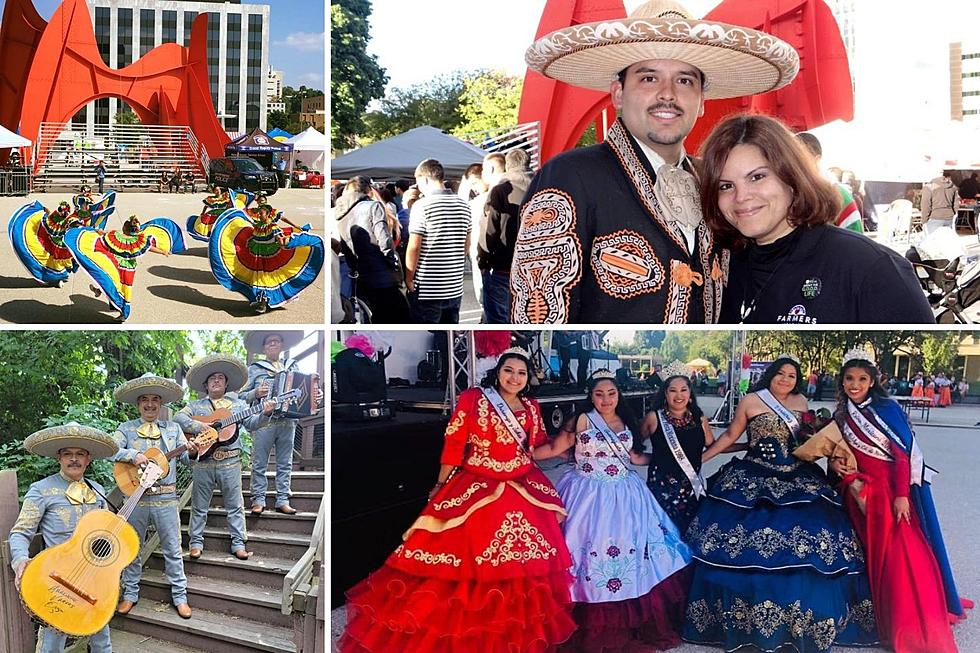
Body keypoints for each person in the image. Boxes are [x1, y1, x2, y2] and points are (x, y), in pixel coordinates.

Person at [511, 0, 799, 324]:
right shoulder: (569, 176)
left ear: (702, 101)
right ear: (618, 93)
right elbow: (537, 317)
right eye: (649, 78)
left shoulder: (715, 181)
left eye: (685, 80)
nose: (668, 94)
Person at [339, 348, 575, 652]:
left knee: (522, 567)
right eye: (509, 370)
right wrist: (440, 483)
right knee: (459, 563)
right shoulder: (474, 399)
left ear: (528, 378)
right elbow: (454, 443)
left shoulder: (530, 407)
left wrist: (564, 445)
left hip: (521, 484)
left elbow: (537, 447)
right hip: (476, 483)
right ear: (497, 371)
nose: (514, 378)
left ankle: (510, 631)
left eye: (521, 373)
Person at [682, 357, 878, 652]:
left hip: (797, 473)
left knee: (818, 534)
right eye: (780, 374)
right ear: (771, 376)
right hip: (753, 474)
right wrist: (699, 461)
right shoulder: (750, 400)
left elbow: (811, 444)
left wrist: (837, 462)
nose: (785, 379)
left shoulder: (802, 401)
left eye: (791, 375)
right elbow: (732, 435)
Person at [700, 114, 934, 324]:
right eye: (726, 186)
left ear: (792, 178)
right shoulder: (720, 267)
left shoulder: (872, 268)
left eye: (757, 177)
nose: (741, 196)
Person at [528, 369, 690, 652]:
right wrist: (520, 453)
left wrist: (667, 460)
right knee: (582, 549)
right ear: (591, 396)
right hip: (585, 493)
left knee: (633, 549)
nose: (605, 400)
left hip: (625, 493)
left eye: (611, 393)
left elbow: (636, 457)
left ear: (619, 395)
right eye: (599, 394)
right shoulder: (580, 420)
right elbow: (555, 447)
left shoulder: (628, 420)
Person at [831, 352, 972, 652]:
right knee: (868, 554)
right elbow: (838, 453)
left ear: (872, 381)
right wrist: (835, 466)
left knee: (904, 556)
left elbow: (903, 456)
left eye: (861, 379)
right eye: (849, 379)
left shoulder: (887, 409)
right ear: (842, 381)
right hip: (857, 492)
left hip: (888, 493)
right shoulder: (841, 416)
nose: (855, 385)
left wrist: (901, 496)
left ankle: (910, 624)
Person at [9, 424, 119, 653]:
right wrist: (20, 561)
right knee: (52, 643)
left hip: (93, 576)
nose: (74, 459)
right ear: (59, 457)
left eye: (80, 454)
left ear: (88, 459)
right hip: (56, 579)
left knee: (102, 638)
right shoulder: (41, 489)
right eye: (68, 454)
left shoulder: (96, 489)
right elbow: (20, 532)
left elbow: (106, 532)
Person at [111, 373, 197, 619]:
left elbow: (185, 460)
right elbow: (110, 449)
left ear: (161, 404)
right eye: (145, 399)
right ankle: (130, 594)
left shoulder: (174, 428)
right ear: (138, 404)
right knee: (132, 548)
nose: (150, 404)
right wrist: (132, 455)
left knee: (172, 548)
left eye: (155, 400)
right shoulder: (126, 429)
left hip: (166, 499)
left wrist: (192, 451)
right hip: (136, 498)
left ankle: (180, 597)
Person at [174, 355, 275, 561]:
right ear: (206, 384)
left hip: (230, 461)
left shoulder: (237, 405)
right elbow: (178, 418)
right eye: (212, 378)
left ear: (227, 383)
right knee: (199, 506)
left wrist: (266, 413)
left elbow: (253, 424)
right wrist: (201, 426)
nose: (217, 381)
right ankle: (195, 543)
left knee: (235, 505)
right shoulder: (195, 406)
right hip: (204, 463)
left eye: (220, 378)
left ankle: (238, 543)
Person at [241, 331, 320, 515]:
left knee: (285, 463)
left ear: (283, 345)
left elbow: (304, 390)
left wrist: (316, 396)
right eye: (269, 342)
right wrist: (256, 393)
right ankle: (258, 500)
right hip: (265, 420)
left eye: (276, 341)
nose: (273, 344)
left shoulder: (292, 365)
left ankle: (282, 500)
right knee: (260, 462)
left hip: (289, 421)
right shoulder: (255, 369)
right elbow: (242, 396)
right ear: (263, 348)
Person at [634, 373, 717, 533]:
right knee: (663, 531)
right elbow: (634, 447)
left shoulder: (699, 418)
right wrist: (656, 459)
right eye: (673, 390)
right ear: (665, 393)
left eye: (683, 390)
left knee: (689, 531)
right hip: (662, 488)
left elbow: (714, 445)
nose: (679, 395)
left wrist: (745, 446)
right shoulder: (654, 418)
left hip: (691, 488)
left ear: (690, 393)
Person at [66, 215, 174, 321]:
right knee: (121, 287)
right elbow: (150, 247)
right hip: (128, 270)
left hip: (117, 265)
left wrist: (94, 231)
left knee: (110, 280)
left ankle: (120, 309)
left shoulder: (116, 236)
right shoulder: (138, 240)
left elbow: (103, 233)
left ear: (124, 228)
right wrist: (163, 252)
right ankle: (103, 292)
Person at [334, 177, 408, 323]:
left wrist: (355, 269)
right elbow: (384, 241)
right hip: (383, 274)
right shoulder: (373, 206)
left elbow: (346, 249)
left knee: (373, 317)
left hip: (362, 276)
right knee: (400, 316)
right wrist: (394, 264)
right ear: (368, 189)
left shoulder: (340, 212)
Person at [406, 158, 470, 323]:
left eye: (418, 182)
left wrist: (409, 277)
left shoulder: (422, 206)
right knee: (449, 335)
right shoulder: (464, 205)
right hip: (454, 285)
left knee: (426, 334)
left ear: (425, 179)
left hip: (427, 287)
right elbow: (466, 244)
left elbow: (414, 246)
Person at [480, 148, 531, 323]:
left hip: (504, 267)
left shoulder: (500, 191)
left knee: (499, 321)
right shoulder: (544, 187)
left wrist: (484, 261)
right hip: (538, 269)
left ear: (507, 166)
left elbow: (490, 230)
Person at [795, 132, 864, 233]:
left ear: (817, 159)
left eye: (800, 158)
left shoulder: (840, 196)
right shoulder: (784, 195)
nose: (794, 164)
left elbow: (857, 241)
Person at [8, 200, 80, 287]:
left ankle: (60, 275)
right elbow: (49, 220)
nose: (64, 212)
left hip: (63, 244)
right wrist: (44, 209)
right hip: (56, 244)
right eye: (61, 210)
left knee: (65, 260)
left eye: (65, 210)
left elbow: (75, 223)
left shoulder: (69, 219)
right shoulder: (55, 218)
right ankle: (55, 278)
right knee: (56, 261)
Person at [921, 171, 960, 235]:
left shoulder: (929, 187)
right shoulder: (952, 186)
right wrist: (954, 216)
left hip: (934, 217)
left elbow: (925, 205)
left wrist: (924, 221)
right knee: (946, 241)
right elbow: (956, 204)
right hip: (949, 217)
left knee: (932, 242)